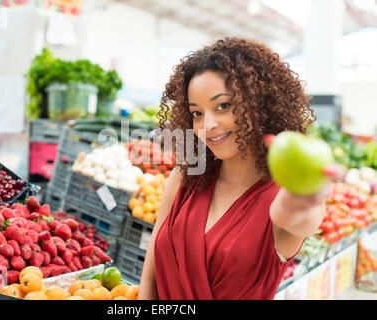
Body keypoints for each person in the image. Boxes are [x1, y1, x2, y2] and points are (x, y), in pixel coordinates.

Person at [137, 37, 344, 300]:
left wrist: (303, 196)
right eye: (197, 113)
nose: (207, 125)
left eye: (223, 106)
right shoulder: (186, 177)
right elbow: (151, 270)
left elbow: (292, 215)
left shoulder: (278, 200)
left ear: (258, 103)